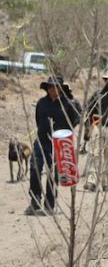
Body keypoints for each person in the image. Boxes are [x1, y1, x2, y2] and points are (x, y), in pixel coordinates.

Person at [25, 76, 82, 216]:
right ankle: (35, 200)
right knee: (35, 167)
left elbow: (75, 120)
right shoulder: (41, 103)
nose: (52, 89)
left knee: (53, 173)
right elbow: (38, 120)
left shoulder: (69, 104)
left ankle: (50, 203)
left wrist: (63, 134)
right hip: (41, 140)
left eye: (55, 86)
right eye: (49, 86)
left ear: (60, 88)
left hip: (59, 143)